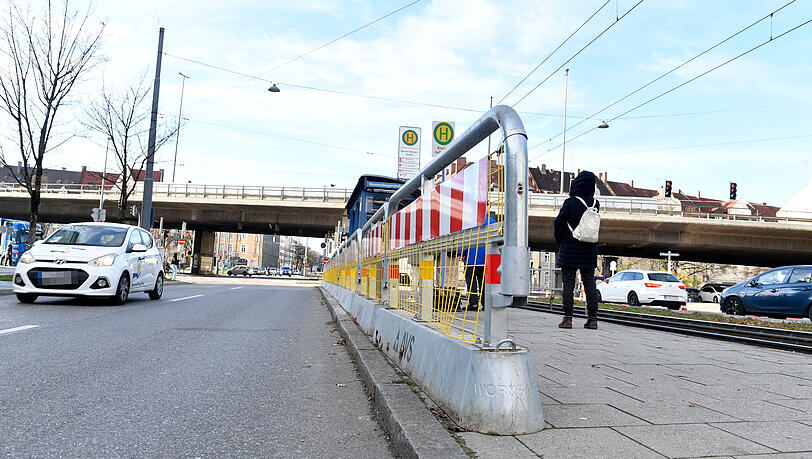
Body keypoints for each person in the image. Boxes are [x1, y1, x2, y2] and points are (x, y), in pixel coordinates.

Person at [553, 171, 600, 329]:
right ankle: (592, 319)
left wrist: (561, 240)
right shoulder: (595, 204)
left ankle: (568, 319)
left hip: (570, 248)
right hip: (589, 249)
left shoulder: (570, 202)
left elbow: (559, 223)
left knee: (568, 284)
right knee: (589, 283)